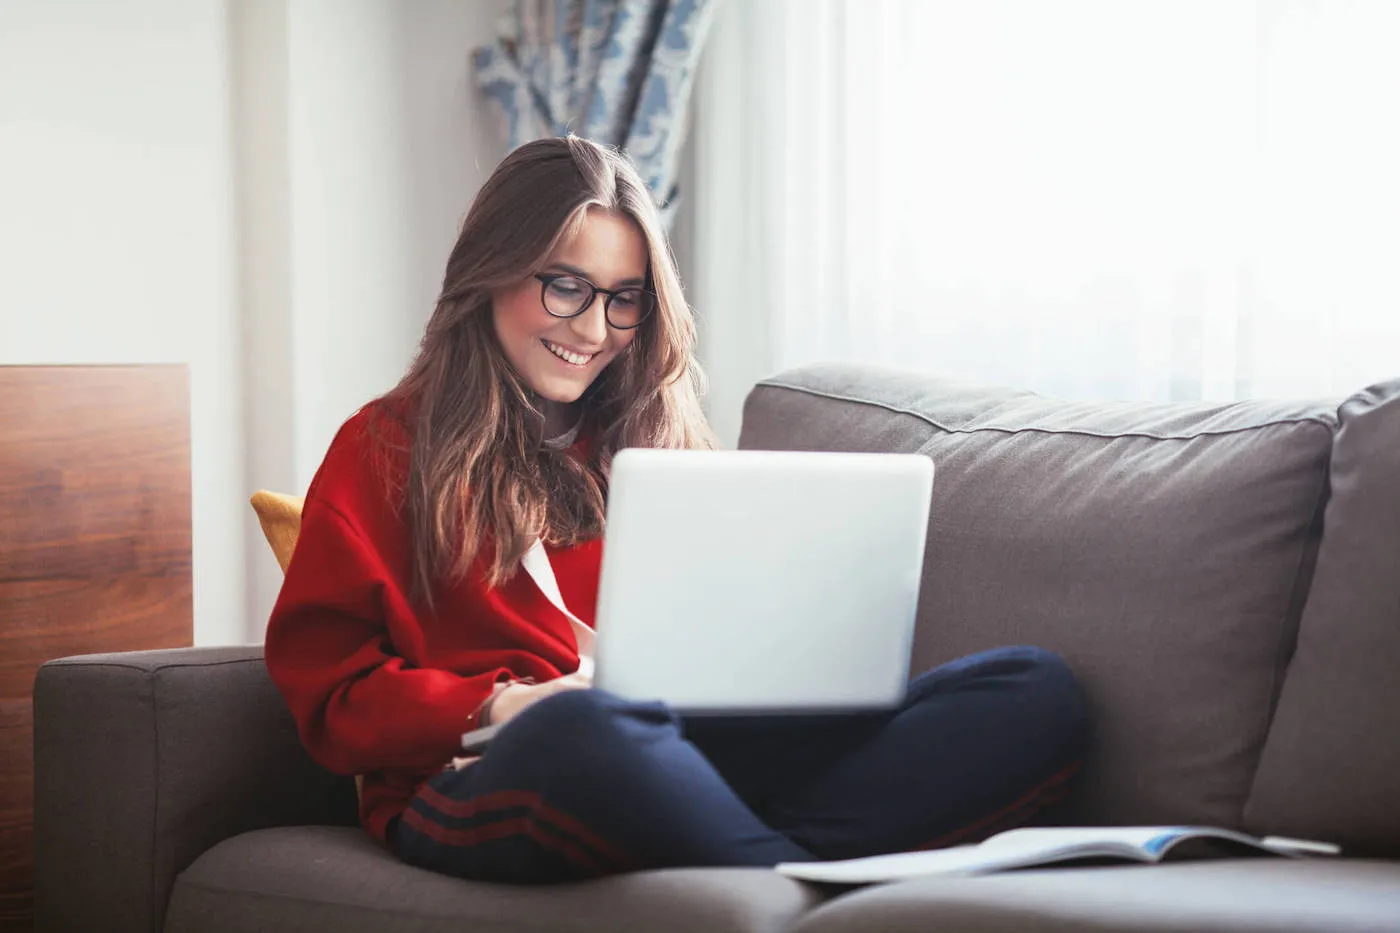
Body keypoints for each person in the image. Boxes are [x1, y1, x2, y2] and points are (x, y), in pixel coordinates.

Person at [264, 135, 1089, 885]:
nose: (595, 328)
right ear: (490, 273)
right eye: (565, 288)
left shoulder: (655, 441)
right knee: (585, 731)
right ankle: (795, 875)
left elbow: (729, 635)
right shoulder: (385, 446)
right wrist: (496, 703)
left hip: (692, 755)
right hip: (496, 769)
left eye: (625, 299)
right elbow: (332, 698)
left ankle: (763, 863)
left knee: (1032, 689)